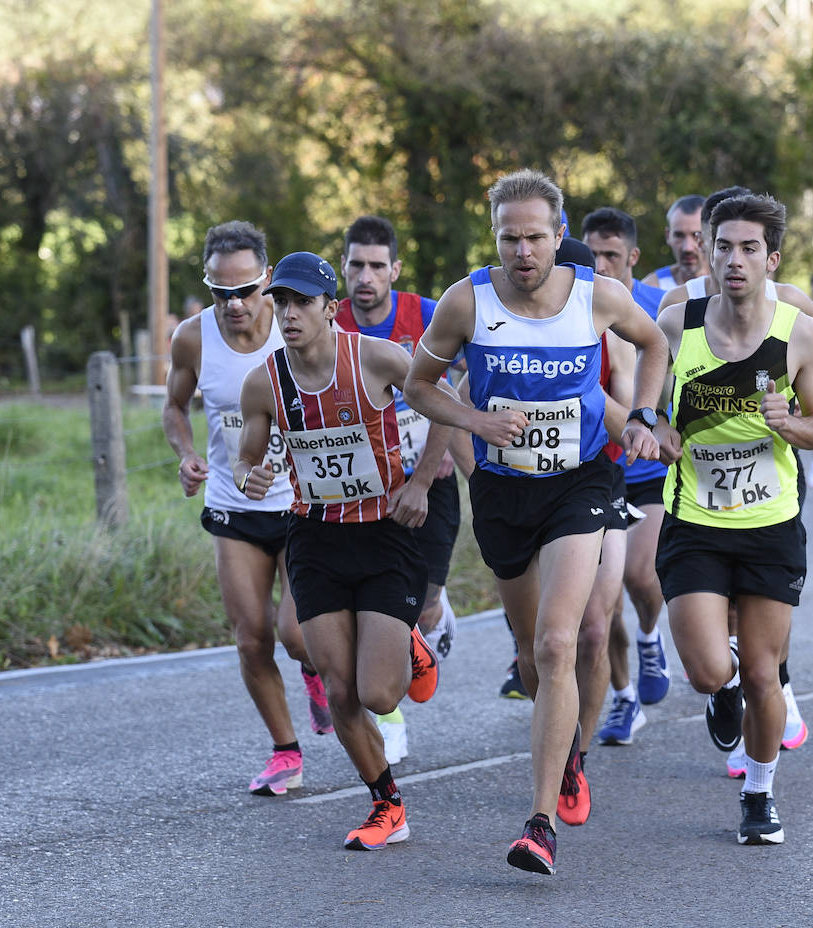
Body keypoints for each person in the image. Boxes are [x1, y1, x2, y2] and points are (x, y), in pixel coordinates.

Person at [404, 169, 666, 876]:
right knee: (528, 653)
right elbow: (417, 386)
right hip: (502, 492)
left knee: (559, 642)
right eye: (509, 238)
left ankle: (540, 821)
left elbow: (655, 345)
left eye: (536, 237)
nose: (523, 252)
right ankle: (571, 751)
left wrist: (642, 413)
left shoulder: (597, 296)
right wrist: (474, 419)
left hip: (578, 485)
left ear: (559, 236)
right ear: (496, 238)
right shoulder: (467, 302)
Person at [234, 251, 448, 851]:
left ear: (333, 307)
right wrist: (251, 472)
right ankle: (387, 805)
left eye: (303, 301)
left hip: (384, 532)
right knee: (341, 690)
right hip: (316, 537)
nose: (290, 313)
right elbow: (247, 453)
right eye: (281, 302)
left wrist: (422, 483)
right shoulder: (265, 382)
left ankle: (408, 640)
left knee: (380, 693)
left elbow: (445, 413)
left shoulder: (377, 357)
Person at [653, 193, 813, 844]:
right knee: (709, 671)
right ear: (706, 249)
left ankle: (759, 794)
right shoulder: (676, 324)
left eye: (749, 248)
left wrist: (794, 424)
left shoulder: (799, 334)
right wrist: (656, 431)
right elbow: (647, 408)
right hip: (696, 519)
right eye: (722, 245)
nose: (734, 259)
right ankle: (719, 691)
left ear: (771, 258)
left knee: (764, 674)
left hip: (770, 525)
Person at [161, 221, 332, 798]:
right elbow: (175, 407)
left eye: (245, 290)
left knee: (297, 633)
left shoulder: (295, 332)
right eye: (220, 292)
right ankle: (286, 751)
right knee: (251, 636)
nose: (234, 304)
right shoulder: (192, 338)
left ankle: (314, 671)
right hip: (234, 504)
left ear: (267, 281)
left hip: (300, 504)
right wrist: (186, 455)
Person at [333, 215, 462, 764]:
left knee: (423, 607)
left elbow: (456, 387)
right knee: (378, 608)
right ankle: (390, 716)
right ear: (343, 267)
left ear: (395, 269)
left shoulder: (425, 315)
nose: (366, 276)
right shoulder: (329, 320)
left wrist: (432, 471)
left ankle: (436, 611)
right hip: (364, 490)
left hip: (428, 479)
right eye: (356, 265)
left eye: (377, 266)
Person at [580, 207, 674, 746]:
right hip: (606, 464)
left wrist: (664, 429)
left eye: (611, 255)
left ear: (633, 257)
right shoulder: (579, 308)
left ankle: (649, 638)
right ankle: (623, 695)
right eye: (592, 255)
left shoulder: (657, 309)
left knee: (640, 577)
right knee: (602, 604)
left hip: (649, 456)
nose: (600, 265)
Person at [641, 195, 708, 292]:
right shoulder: (651, 289)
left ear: (711, 235)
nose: (687, 248)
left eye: (696, 235)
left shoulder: (727, 285)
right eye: (679, 235)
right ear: (668, 236)